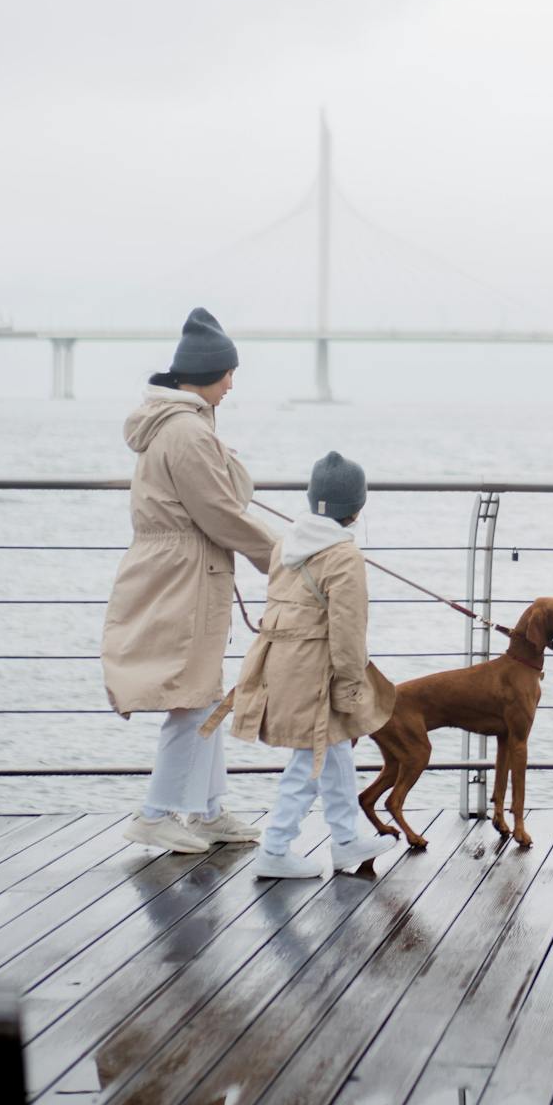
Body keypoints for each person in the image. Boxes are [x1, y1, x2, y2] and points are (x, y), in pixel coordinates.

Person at [102, 307, 276, 854]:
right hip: (184, 574)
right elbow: (222, 512)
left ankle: (206, 810)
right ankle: (155, 813)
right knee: (192, 696)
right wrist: (284, 561)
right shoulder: (186, 432)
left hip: (182, 570)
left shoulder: (184, 427)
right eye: (228, 374)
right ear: (208, 372)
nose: (231, 386)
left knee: (200, 692)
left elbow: (221, 501)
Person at [201, 450, 398, 877]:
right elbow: (348, 631)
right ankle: (274, 849)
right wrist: (351, 685)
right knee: (309, 761)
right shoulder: (345, 557)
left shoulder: (286, 544)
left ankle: (346, 841)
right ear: (356, 509)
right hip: (316, 669)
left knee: (336, 751)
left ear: (312, 501)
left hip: (280, 662)